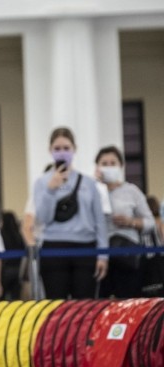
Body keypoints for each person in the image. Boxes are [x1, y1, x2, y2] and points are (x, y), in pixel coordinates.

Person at [33, 127, 108, 299]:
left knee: (85, 306)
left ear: (74, 149)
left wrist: (103, 255)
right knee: (57, 307)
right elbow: (42, 218)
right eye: (57, 149)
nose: (62, 153)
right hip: (54, 247)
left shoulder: (89, 183)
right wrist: (51, 190)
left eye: (66, 148)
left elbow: (99, 221)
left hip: (85, 247)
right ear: (50, 150)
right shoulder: (42, 182)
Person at [95, 145, 153, 298]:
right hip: (100, 254)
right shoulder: (93, 191)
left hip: (127, 254)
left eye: (112, 163)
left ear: (121, 166)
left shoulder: (132, 191)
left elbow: (150, 222)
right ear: (98, 167)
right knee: (101, 302)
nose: (108, 167)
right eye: (104, 163)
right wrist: (97, 186)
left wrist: (131, 222)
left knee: (129, 300)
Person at [0, 211, 26, 300]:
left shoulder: (1, 235)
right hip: (17, 269)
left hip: (5, 270)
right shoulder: (18, 235)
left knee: (2, 299)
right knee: (16, 298)